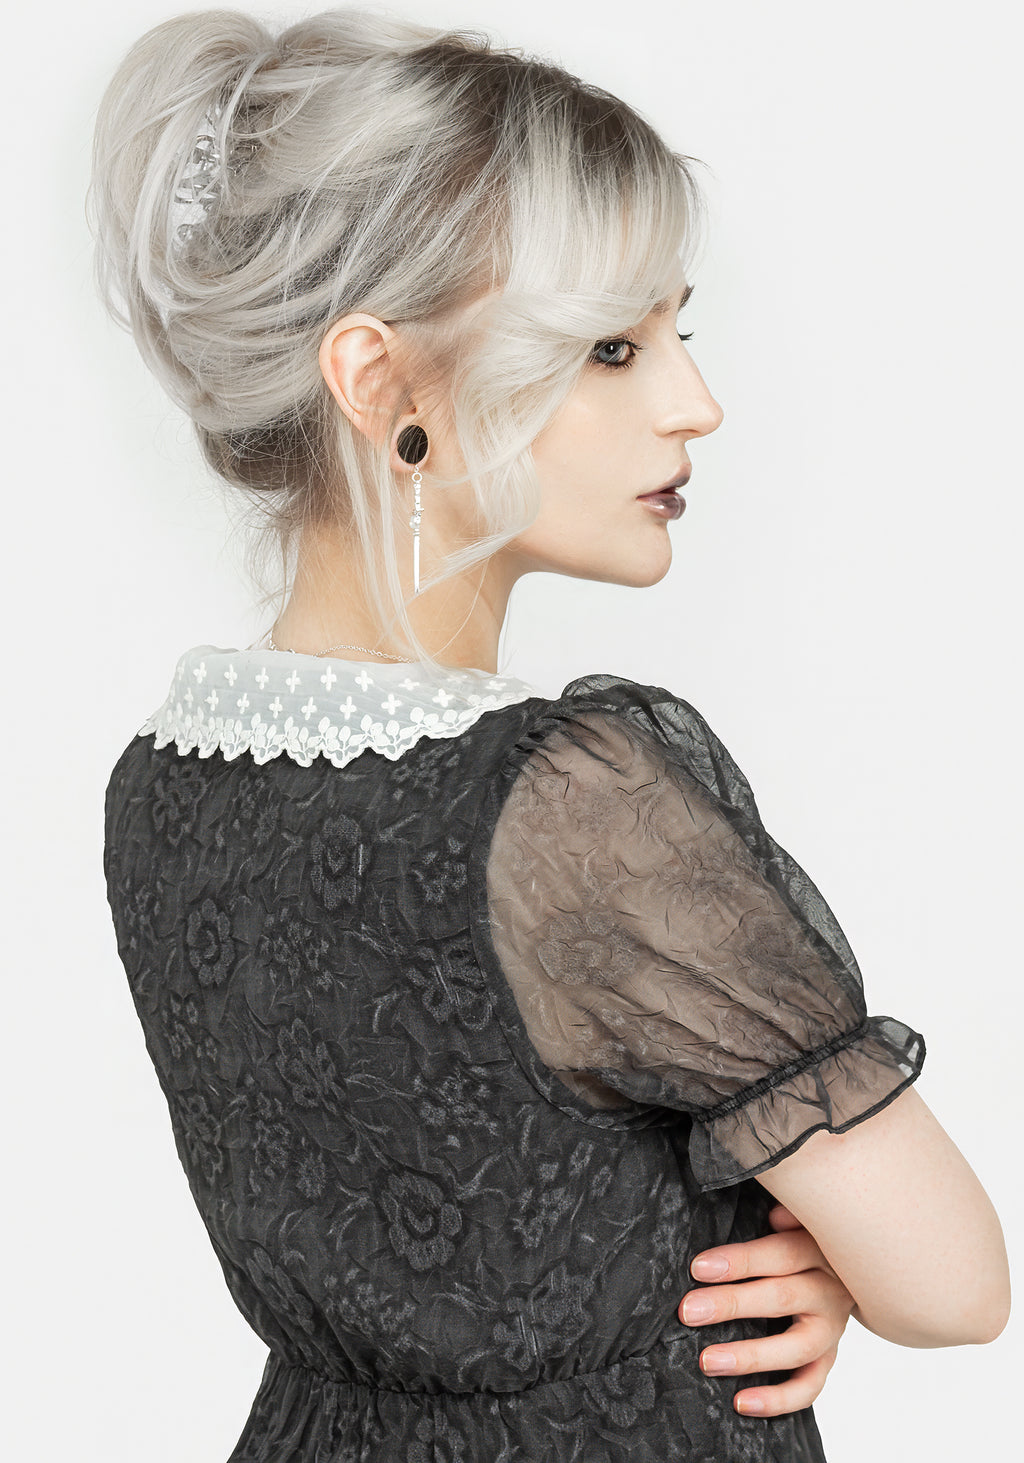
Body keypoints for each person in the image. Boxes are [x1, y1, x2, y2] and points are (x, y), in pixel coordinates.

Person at [93, 9, 1010, 1461]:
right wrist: (831, 1265)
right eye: (611, 347)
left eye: (679, 332)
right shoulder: (571, 802)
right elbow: (956, 1287)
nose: (696, 403)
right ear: (382, 385)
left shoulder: (158, 790)